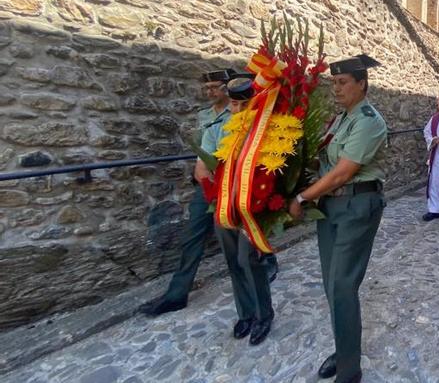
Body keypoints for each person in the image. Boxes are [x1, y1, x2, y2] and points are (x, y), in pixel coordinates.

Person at [288, 54, 387, 383]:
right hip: (330, 208)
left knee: (343, 285)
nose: (336, 88)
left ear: (362, 83)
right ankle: (345, 348)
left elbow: (344, 172)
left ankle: (349, 370)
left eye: (343, 82)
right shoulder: (341, 119)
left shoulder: (368, 120)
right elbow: (325, 164)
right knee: (333, 285)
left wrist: (302, 197)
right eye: (334, 83)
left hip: (357, 206)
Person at [138, 69, 236, 317]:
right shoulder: (204, 115)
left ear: (227, 87)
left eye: (215, 87)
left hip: (232, 183)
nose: (210, 92)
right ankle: (177, 294)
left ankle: (263, 266)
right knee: (192, 236)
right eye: (207, 88)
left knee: (241, 235)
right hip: (205, 185)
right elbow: (203, 148)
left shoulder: (238, 112)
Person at [204, 76, 275, 345]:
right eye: (234, 103)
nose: (236, 109)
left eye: (243, 104)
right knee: (233, 262)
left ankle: (263, 314)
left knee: (250, 261)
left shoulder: (263, 130)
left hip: (250, 208)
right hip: (222, 204)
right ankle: (245, 313)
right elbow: (206, 165)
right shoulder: (220, 128)